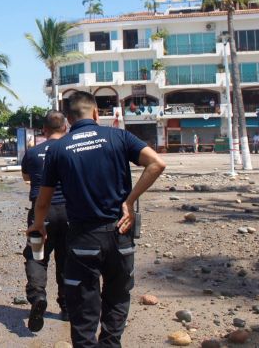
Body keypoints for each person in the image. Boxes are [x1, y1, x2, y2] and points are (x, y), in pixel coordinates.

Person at [28, 91, 166, 348]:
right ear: (95, 113)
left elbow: (44, 200)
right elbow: (156, 164)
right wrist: (129, 201)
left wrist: (38, 225)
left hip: (82, 239)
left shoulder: (58, 148)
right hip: (119, 233)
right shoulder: (119, 136)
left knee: (82, 308)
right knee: (117, 298)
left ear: (68, 120)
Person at [20, 110, 70, 332]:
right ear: (65, 128)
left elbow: (27, 178)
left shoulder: (32, 153)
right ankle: (67, 307)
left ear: (44, 130)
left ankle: (38, 295)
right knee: (67, 258)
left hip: (42, 213)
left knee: (37, 256)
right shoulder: (72, 149)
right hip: (70, 212)